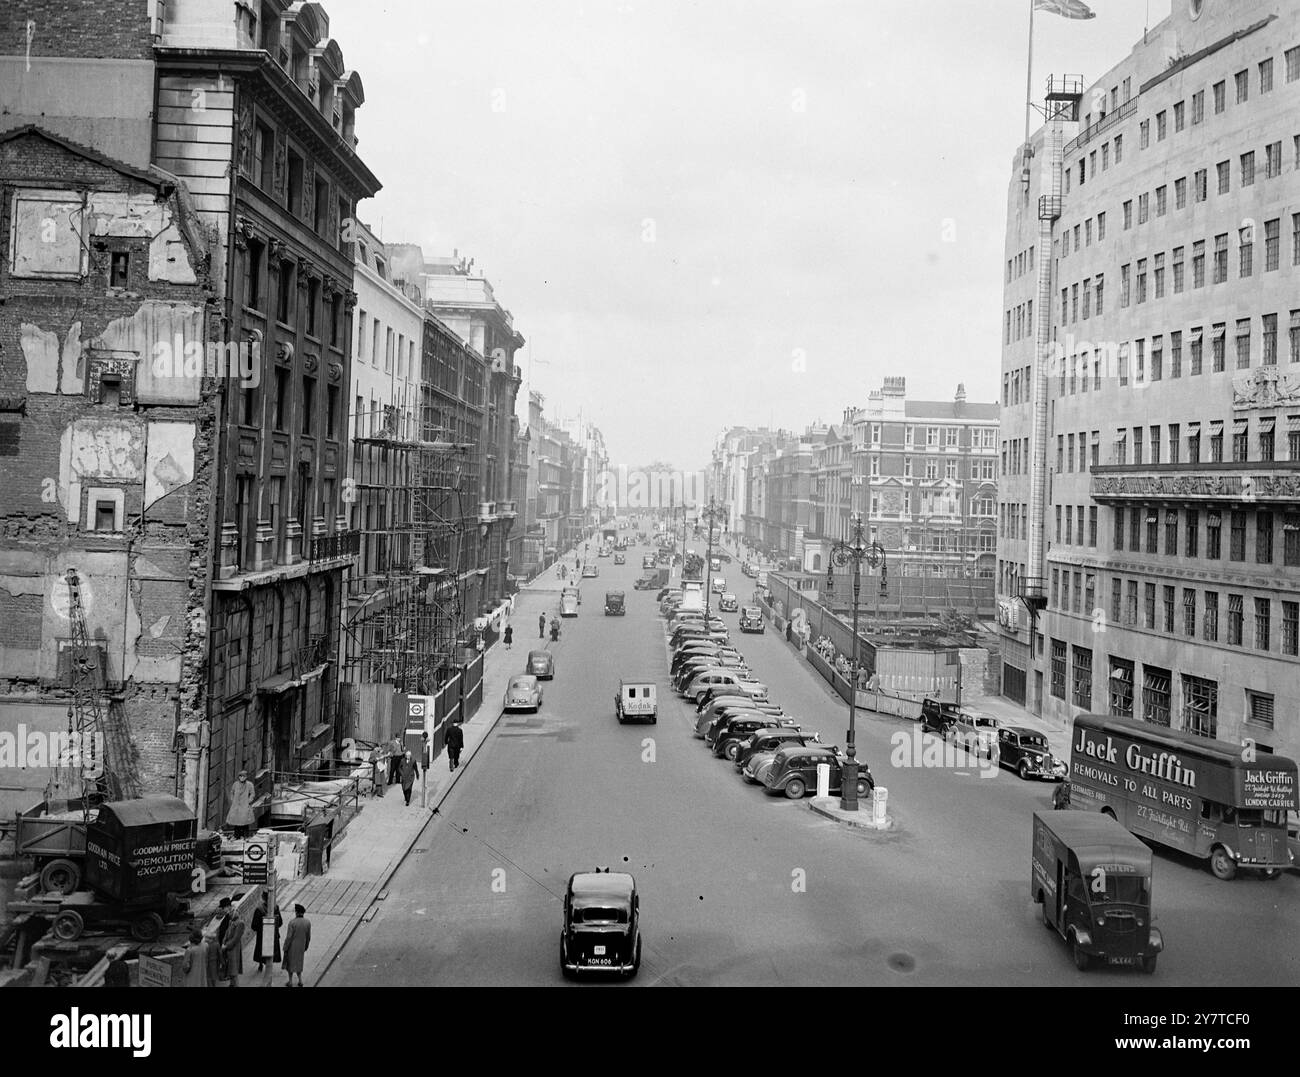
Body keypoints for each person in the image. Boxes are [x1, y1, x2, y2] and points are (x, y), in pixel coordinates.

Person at [282, 904, 311, 987]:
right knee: (299, 963)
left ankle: (290, 981)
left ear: (296, 912)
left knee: (290, 964)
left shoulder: (292, 923)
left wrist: (285, 947)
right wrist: (306, 946)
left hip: (292, 947)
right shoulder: (307, 922)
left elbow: (289, 937)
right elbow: (308, 936)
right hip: (301, 946)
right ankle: (300, 980)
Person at [251, 895, 282, 972]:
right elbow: (280, 922)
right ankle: (270, 962)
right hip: (273, 934)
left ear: (263, 898)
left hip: (262, 935)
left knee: (260, 949)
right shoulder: (276, 908)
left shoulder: (259, 910)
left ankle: (261, 964)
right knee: (272, 948)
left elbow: (254, 925)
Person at [225, 770, 256, 838]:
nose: (242, 777)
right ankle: (237, 836)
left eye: (243, 776)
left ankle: (245, 836)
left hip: (245, 805)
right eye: (240, 776)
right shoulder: (235, 784)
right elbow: (232, 792)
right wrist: (233, 800)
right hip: (236, 805)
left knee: (245, 821)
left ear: (246, 777)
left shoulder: (249, 784)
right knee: (236, 822)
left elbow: (252, 794)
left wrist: (249, 801)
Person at [220, 903, 245, 987]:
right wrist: (224, 942)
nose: (230, 915)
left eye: (231, 912)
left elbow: (236, 938)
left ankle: (235, 985)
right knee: (230, 969)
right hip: (228, 948)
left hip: (234, 949)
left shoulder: (240, 923)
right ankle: (232, 984)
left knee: (234, 971)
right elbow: (227, 933)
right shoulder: (231, 921)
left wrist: (226, 946)